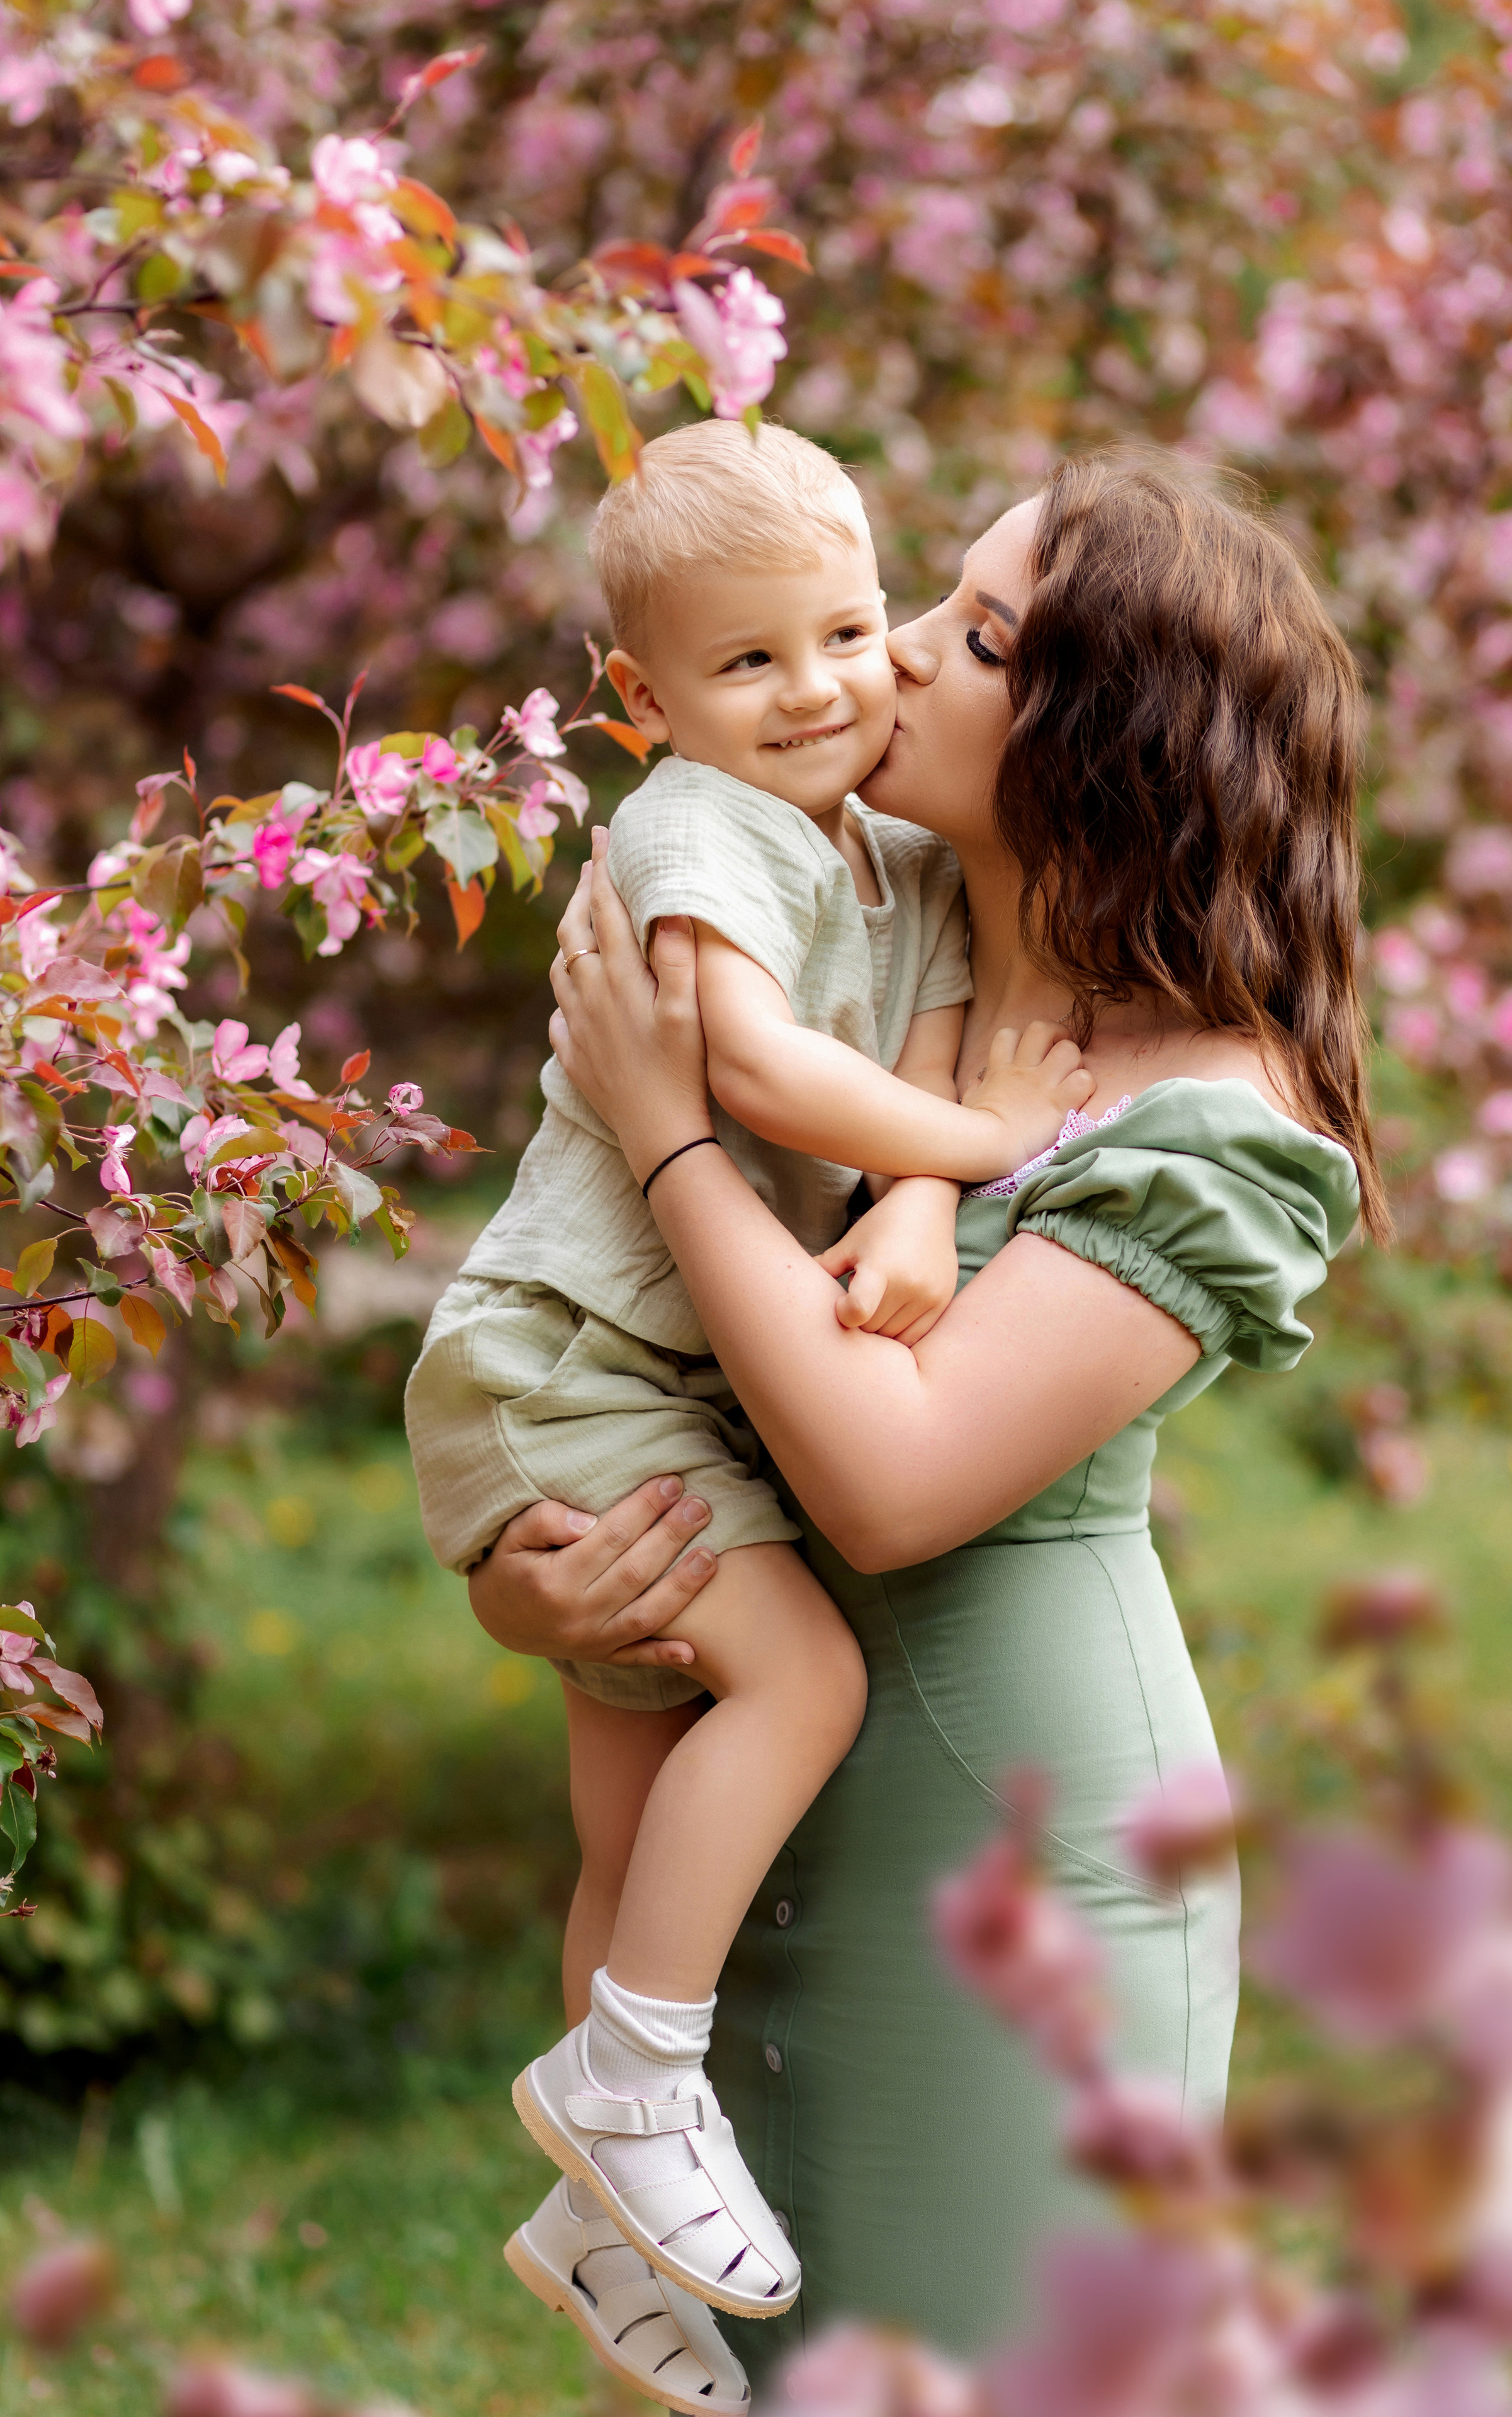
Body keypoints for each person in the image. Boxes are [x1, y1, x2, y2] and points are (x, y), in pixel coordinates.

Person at [473, 450, 1387, 2403]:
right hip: (760, 1837)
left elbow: (885, 1484)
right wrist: (558, 1598)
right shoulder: (863, 949)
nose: (881, 657)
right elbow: (651, 1377)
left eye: (967, 634)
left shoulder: (1206, 1110)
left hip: (1008, 1864)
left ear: (1097, 742)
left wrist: (673, 1134)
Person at [404, 421, 1092, 2383]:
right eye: (749, 660)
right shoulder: (696, 833)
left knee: (627, 1849)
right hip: (574, 1360)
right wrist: (970, 1137)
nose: (820, 691)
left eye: (853, 631)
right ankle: (638, 2079)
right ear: (647, 702)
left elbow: (931, 1048)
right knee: (801, 1683)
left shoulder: (893, 861)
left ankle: (598, 2218)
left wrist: (936, 1205)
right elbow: (759, 1072)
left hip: (665, 1385)